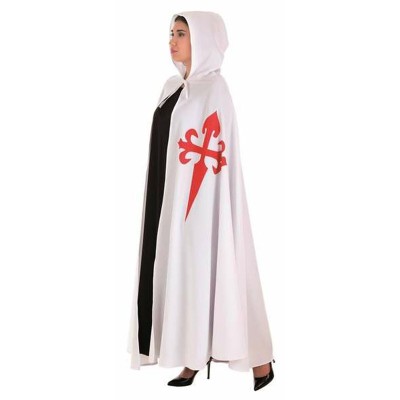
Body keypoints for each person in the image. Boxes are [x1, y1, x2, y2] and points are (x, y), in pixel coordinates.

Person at [127, 11, 275, 391]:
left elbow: (219, 157)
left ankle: (259, 360)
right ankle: (192, 356)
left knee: (222, 270)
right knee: (182, 277)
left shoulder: (215, 91)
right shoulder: (171, 88)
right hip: (169, 199)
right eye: (171, 33)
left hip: (204, 205)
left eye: (181, 33)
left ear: (203, 40)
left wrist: (201, 207)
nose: (172, 41)